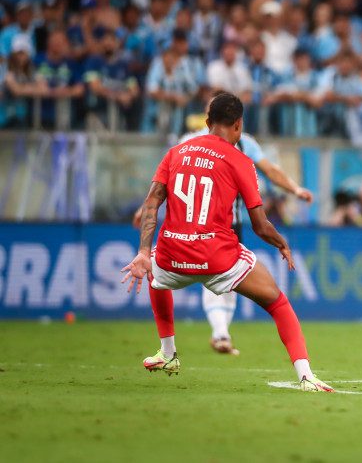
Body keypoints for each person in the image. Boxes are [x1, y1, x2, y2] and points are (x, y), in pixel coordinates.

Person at [122, 92, 331, 392]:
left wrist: (144, 251)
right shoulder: (241, 160)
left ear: (207, 122)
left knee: (155, 275)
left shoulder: (176, 152)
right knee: (278, 302)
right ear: (238, 125)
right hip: (218, 258)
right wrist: (281, 242)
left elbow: (152, 202)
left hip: (173, 253)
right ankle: (306, 375)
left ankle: (168, 353)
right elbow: (260, 225)